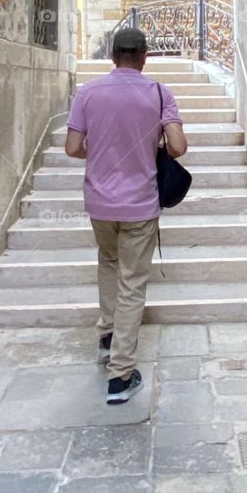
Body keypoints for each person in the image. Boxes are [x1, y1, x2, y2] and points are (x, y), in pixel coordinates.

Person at [65, 28, 187, 403]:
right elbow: (179, 147)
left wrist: (102, 152)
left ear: (113, 56)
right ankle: (120, 376)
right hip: (139, 204)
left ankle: (107, 336)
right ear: (145, 57)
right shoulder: (158, 92)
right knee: (132, 282)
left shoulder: (87, 93)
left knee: (108, 262)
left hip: (100, 203)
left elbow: (73, 148)